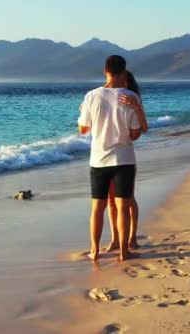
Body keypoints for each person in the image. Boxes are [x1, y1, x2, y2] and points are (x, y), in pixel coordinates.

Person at [77, 56, 143, 261]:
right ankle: (124, 252)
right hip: (124, 159)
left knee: (97, 208)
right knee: (122, 206)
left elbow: (83, 130)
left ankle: (95, 251)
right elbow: (134, 134)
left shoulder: (91, 96)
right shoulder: (130, 96)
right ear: (124, 72)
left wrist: (83, 113)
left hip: (99, 160)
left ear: (105, 70)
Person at [105, 71, 149, 252]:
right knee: (110, 200)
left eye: (123, 81)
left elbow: (143, 129)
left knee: (128, 199)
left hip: (126, 157)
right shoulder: (107, 98)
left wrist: (136, 107)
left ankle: (132, 237)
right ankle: (115, 238)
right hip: (106, 157)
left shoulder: (133, 100)